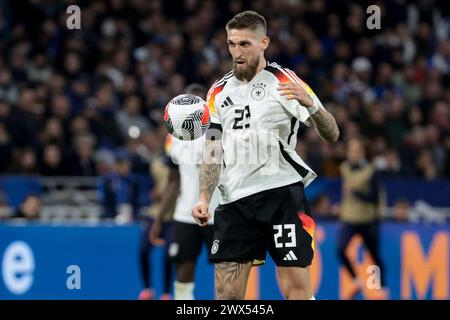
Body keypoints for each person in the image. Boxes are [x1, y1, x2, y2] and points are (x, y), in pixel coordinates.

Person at [192, 11, 339, 300]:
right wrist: (204, 198)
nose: (237, 52)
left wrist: (311, 105)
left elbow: (332, 133)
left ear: (264, 43)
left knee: (295, 289)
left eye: (245, 44)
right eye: (231, 44)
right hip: (234, 200)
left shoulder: (283, 81)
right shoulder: (217, 92)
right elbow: (212, 149)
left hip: (281, 194)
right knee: (227, 295)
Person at [150, 83, 220, 300]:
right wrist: (159, 219)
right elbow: (173, 181)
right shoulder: (173, 138)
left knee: (225, 271)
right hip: (184, 215)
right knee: (183, 268)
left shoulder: (218, 131)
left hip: (218, 215)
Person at [338, 137, 388, 299]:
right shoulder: (344, 168)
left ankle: (382, 289)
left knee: (374, 256)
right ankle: (356, 280)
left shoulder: (372, 171)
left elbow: (374, 197)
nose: (353, 154)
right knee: (340, 249)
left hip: (368, 220)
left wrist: (356, 192)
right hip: (349, 218)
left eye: (356, 151)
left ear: (363, 153)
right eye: (350, 151)